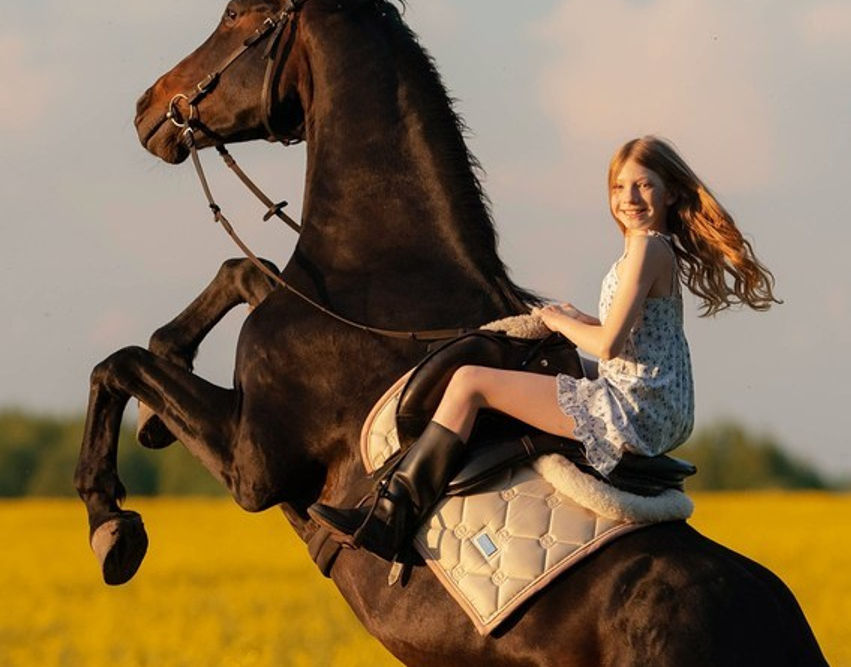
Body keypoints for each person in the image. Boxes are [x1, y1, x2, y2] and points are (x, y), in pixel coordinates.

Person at [310, 135, 778, 561]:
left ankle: (391, 519)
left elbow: (612, 345)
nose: (629, 199)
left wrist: (555, 320)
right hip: (657, 403)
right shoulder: (655, 250)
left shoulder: (647, 250)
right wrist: (578, 320)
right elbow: (638, 332)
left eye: (643, 186)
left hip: (632, 409)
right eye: (619, 188)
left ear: (670, 192)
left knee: (470, 382)